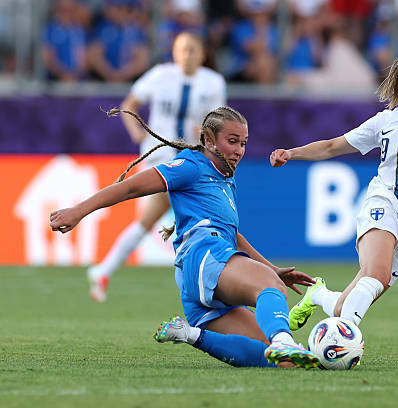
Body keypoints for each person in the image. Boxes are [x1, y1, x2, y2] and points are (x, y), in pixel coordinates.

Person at [50, 106, 320, 369]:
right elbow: (130, 187)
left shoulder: (225, 178)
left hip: (198, 278)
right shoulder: (190, 166)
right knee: (270, 287)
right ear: (208, 139)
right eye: (232, 141)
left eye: (243, 143)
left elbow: (232, 234)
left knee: (281, 360)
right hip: (205, 258)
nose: (239, 150)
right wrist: (78, 211)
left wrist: (272, 268)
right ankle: (284, 340)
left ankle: (189, 334)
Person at [269, 50, 398, 330]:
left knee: (345, 305)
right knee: (376, 275)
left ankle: (317, 294)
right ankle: (344, 339)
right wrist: (291, 153)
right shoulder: (386, 120)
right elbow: (332, 146)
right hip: (384, 201)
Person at [86, 31, 227, 302]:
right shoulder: (160, 75)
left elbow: (217, 122)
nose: (186, 55)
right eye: (181, 49)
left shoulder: (213, 82)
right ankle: (209, 280)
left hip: (191, 158)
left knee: (149, 220)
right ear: (174, 52)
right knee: (200, 213)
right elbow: (130, 104)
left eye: (192, 50)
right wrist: (137, 133)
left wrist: (205, 132)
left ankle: (104, 270)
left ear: (202, 54)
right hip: (159, 156)